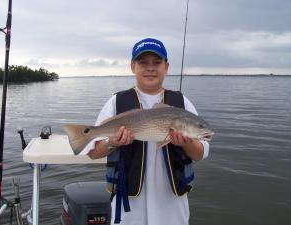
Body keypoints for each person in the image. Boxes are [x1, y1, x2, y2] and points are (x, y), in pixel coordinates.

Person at [86, 38, 209, 225]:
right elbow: (93, 153)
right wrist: (113, 142)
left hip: (172, 206)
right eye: (143, 62)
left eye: (157, 62)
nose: (150, 68)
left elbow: (199, 154)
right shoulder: (116, 102)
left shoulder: (182, 103)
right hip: (128, 205)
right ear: (132, 66)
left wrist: (187, 142)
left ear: (166, 67)